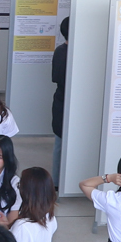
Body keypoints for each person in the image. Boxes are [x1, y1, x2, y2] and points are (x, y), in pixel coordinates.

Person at [50, 16, 69, 176]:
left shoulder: (59, 51)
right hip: (66, 101)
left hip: (59, 99)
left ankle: (56, 181)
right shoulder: (75, 54)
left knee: (59, 143)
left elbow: (55, 77)